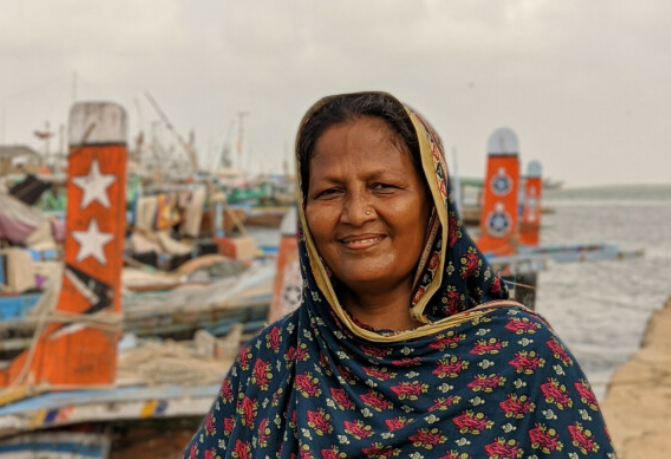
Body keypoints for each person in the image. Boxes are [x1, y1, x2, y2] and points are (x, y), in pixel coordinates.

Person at [182, 92, 615, 458]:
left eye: (383, 187)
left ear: (434, 206)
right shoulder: (272, 364)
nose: (356, 214)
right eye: (330, 192)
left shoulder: (522, 357)